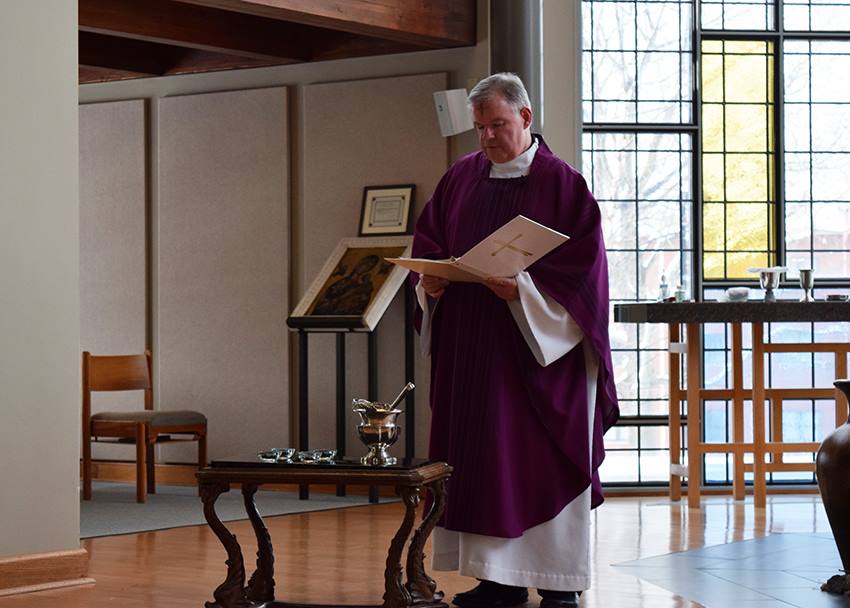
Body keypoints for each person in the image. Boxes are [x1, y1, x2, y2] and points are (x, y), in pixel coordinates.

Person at [411, 73, 619, 608]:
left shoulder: (563, 185)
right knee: (481, 460)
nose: (485, 138)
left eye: (497, 125)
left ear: (525, 118)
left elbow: (584, 273)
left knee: (540, 459)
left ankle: (560, 584)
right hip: (473, 352)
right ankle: (495, 580)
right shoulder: (458, 179)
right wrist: (429, 283)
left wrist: (521, 290)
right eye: (479, 128)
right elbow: (431, 244)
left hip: (540, 359)